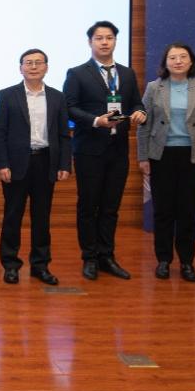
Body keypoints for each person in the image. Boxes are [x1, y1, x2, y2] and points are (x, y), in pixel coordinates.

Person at [63, 20, 147, 281]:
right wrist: (95, 121)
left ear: (115, 41)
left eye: (109, 38)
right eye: (99, 38)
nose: (104, 42)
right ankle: (89, 257)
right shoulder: (77, 73)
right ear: (90, 42)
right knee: (89, 206)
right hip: (89, 150)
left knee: (111, 207)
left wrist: (140, 113)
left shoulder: (127, 74)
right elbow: (69, 108)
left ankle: (107, 256)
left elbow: (137, 103)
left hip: (118, 150)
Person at [137, 43, 195, 282]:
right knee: (162, 211)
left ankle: (186, 262)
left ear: (191, 61)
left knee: (187, 212)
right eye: (173, 57)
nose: (178, 61)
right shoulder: (154, 87)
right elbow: (144, 125)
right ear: (166, 62)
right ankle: (163, 260)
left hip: (193, 157)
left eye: (183, 57)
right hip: (161, 156)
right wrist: (143, 156)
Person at [0, 49, 71, 286]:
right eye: (28, 63)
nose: (33, 67)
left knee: (42, 217)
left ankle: (40, 265)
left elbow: (63, 134)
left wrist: (64, 164)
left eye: (38, 63)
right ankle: (10, 265)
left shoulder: (57, 97)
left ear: (46, 67)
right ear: (21, 68)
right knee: (12, 216)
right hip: (16, 164)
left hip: (45, 162)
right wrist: (2, 164)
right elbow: (0, 133)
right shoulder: (7, 95)